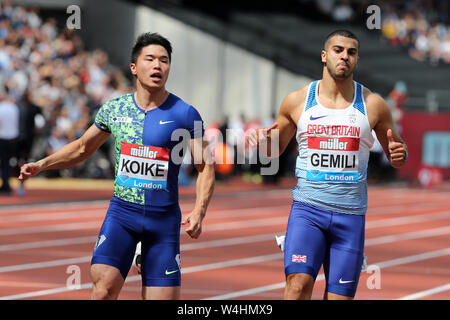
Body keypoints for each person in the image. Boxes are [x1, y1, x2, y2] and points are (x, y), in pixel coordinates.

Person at [19, 32, 215, 300]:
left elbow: (206, 166)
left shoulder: (185, 114)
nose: (158, 65)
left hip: (163, 222)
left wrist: (199, 211)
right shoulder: (114, 109)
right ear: (134, 67)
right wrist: (41, 164)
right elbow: (82, 147)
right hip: (122, 216)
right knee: (102, 291)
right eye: (150, 59)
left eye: (164, 60)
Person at [247, 30, 408, 300]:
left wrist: (398, 154)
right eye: (338, 50)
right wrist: (260, 141)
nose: (344, 56)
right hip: (308, 212)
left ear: (357, 60)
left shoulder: (374, 105)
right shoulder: (297, 101)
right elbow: (273, 150)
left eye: (351, 52)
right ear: (324, 56)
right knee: (297, 286)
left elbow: (396, 154)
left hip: (350, 218)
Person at [0, 86, 20, 195]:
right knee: (9, 163)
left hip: (3, 138)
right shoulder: (14, 107)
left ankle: (6, 185)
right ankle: (14, 184)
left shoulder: (1, 108)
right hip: (13, 138)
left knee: (4, 163)